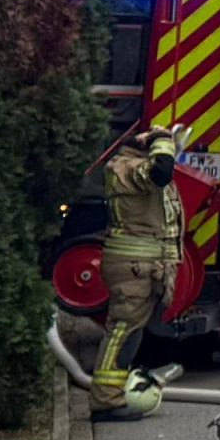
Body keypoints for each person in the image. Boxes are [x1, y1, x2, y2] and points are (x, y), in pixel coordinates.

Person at [90, 124, 191, 417]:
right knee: (122, 332)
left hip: (144, 268)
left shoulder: (132, 167)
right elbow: (160, 172)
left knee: (130, 333)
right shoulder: (127, 168)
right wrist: (161, 138)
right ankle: (106, 401)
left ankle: (114, 392)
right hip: (133, 268)